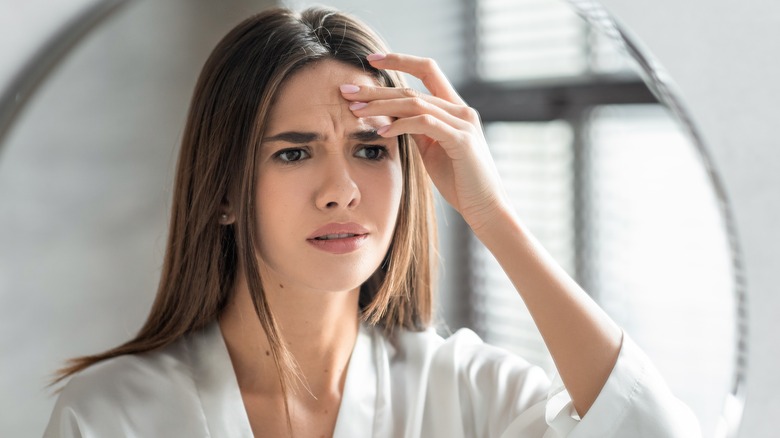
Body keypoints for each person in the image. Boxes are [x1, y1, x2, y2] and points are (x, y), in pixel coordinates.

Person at [44, 6, 700, 438]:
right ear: (223, 191)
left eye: (370, 150)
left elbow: (650, 429)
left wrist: (490, 213)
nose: (341, 192)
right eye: (294, 153)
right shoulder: (112, 414)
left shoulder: (469, 393)